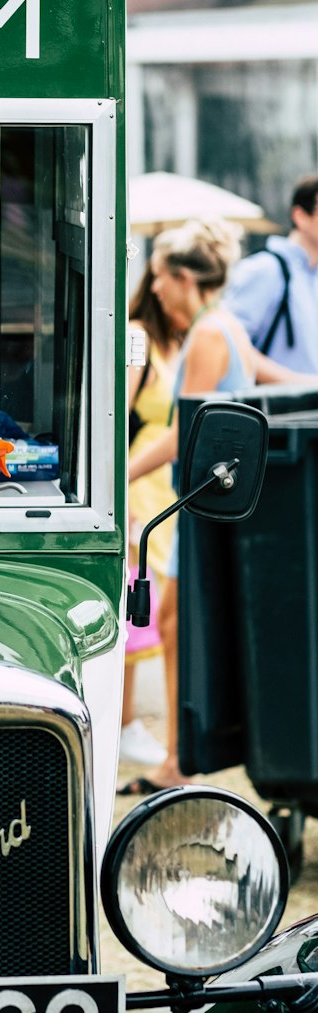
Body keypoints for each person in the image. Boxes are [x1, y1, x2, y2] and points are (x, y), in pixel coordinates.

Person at [121, 219, 299, 794]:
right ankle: (182, 753)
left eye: (160, 279)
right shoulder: (224, 326)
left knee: (173, 623)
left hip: (196, 500)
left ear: (182, 277)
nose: (156, 291)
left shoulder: (207, 334)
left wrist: (120, 475)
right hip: (213, 499)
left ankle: (180, 758)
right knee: (176, 623)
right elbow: (278, 380)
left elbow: (184, 429)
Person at [119, 266, 180, 766]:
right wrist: (122, 490)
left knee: (156, 603)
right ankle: (123, 722)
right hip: (140, 477)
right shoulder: (139, 337)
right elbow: (118, 412)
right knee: (140, 601)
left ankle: (129, 722)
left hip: (168, 483)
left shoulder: (182, 342)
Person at [224, 174, 318, 374]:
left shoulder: (312, 276)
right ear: (300, 216)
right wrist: (295, 385)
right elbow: (226, 345)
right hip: (274, 404)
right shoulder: (265, 270)